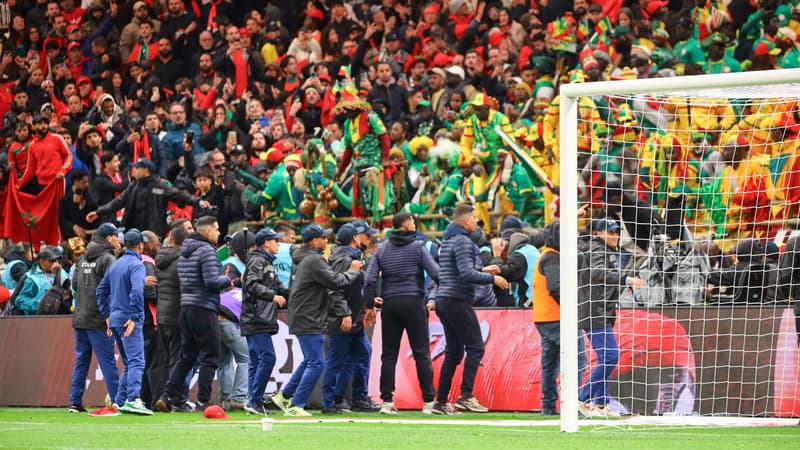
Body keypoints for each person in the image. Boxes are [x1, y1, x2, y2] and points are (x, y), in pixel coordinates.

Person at [270, 224, 362, 417]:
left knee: (310, 360)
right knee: (317, 363)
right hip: (308, 316)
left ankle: (284, 396)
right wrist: (353, 270)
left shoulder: (303, 258)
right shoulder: (314, 260)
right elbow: (336, 282)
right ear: (314, 241)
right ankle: (297, 405)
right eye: (323, 237)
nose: (327, 240)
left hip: (303, 314)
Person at [432, 204, 508, 415]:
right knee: (476, 346)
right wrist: (493, 278)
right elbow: (466, 275)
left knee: (454, 353)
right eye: (475, 218)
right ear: (466, 222)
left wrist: (482, 269)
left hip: (443, 300)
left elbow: (457, 271)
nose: (477, 221)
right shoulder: (465, 242)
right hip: (457, 300)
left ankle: (440, 401)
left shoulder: (448, 242)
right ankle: (466, 396)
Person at [362, 212, 439, 415]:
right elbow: (436, 273)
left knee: (389, 355)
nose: (415, 224)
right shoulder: (417, 247)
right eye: (413, 222)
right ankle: (429, 402)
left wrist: (369, 303)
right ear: (406, 226)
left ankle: (387, 401)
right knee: (421, 353)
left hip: (390, 304)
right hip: (414, 302)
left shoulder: (382, 248)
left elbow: (369, 279)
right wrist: (437, 292)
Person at [156, 216, 231, 413]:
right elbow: (211, 282)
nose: (219, 233)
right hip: (204, 308)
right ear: (208, 232)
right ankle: (203, 401)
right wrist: (229, 280)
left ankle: (166, 395)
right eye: (216, 229)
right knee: (211, 356)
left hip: (186, 308)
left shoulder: (184, 252)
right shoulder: (207, 251)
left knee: (186, 357)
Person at [577, 218, 644, 418]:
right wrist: (625, 279)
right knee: (610, 357)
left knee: (607, 357)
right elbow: (597, 273)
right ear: (598, 233)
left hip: (600, 310)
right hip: (594, 310)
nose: (615, 236)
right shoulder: (597, 249)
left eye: (616, 232)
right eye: (611, 232)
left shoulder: (602, 249)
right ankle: (581, 398)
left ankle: (601, 403)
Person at [321, 222, 380, 414]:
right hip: (343, 319)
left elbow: (352, 288)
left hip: (353, 319)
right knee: (337, 361)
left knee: (362, 354)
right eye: (363, 235)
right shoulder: (343, 259)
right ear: (355, 238)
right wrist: (344, 312)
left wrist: (366, 303)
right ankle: (330, 402)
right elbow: (334, 289)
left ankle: (356, 397)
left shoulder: (350, 257)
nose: (368, 238)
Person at [96, 228, 153, 415]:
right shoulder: (137, 265)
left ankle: (119, 401)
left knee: (129, 363)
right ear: (140, 245)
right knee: (137, 361)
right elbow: (137, 292)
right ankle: (134, 399)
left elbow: (101, 291)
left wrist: (107, 316)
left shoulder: (116, 264)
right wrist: (135, 318)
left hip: (115, 319)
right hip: (128, 319)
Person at [532, 221, 586, 416]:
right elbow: (555, 287)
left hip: (544, 317)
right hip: (558, 318)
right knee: (577, 359)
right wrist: (569, 308)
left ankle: (548, 405)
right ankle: (570, 403)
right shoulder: (553, 258)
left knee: (550, 362)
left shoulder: (547, 255)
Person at [69, 223, 121, 416]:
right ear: (109, 238)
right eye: (116, 236)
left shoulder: (82, 258)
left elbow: (75, 284)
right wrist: (110, 316)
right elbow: (112, 288)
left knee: (81, 361)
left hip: (80, 317)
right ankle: (117, 401)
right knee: (107, 362)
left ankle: (75, 402)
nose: (118, 240)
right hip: (99, 319)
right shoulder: (108, 259)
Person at [87, 159, 210, 238]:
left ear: (146, 170)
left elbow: (180, 195)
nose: (134, 170)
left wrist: (198, 201)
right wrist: (99, 212)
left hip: (154, 232)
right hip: (132, 231)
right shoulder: (133, 186)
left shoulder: (160, 185)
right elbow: (118, 202)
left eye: (137, 168)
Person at [241, 227, 288, 415]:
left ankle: (253, 400)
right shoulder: (258, 262)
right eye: (275, 240)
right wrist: (272, 296)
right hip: (256, 318)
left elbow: (281, 288)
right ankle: (255, 400)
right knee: (268, 358)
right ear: (266, 243)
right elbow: (251, 284)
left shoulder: (267, 263)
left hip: (258, 318)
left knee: (255, 362)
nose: (278, 243)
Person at [155, 222, 189, 379]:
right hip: (176, 315)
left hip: (161, 315)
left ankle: (162, 395)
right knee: (177, 358)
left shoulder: (159, 259)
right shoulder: (182, 261)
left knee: (164, 358)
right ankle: (171, 397)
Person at [12, 246, 70, 316]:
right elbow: (19, 300)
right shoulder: (33, 279)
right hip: (38, 319)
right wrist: (40, 304)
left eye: (57, 260)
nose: (55, 264)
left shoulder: (62, 273)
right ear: (42, 261)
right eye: (51, 261)